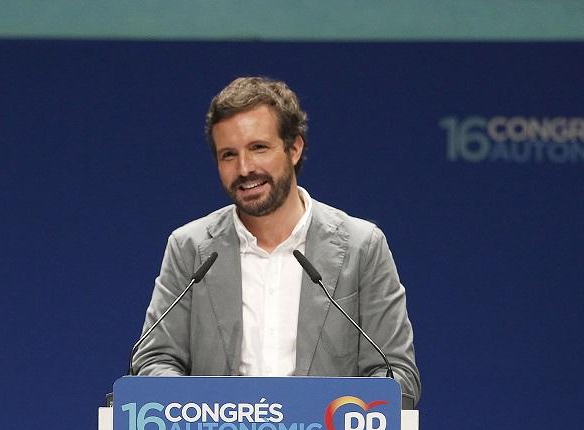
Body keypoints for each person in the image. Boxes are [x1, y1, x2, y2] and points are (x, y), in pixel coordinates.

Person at [131, 76, 421, 408]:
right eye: (228, 155)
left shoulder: (361, 247)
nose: (244, 168)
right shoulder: (190, 249)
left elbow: (396, 376)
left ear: (294, 148)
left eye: (258, 148)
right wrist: (204, 412)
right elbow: (154, 361)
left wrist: (326, 418)